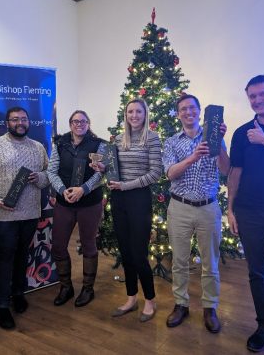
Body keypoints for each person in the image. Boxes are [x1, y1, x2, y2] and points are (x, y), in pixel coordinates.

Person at [0, 106, 49, 330]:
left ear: (29, 122)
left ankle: (19, 293)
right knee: (5, 258)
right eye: (15, 119)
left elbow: (49, 175)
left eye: (24, 119)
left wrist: (40, 177)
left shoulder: (38, 147)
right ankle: (2, 306)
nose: (20, 122)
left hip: (30, 213)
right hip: (4, 213)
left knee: (22, 255)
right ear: (7, 122)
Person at [163, 94, 229, 333]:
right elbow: (170, 173)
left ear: (200, 111)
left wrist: (220, 142)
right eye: (183, 109)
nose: (188, 112)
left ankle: (210, 307)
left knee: (210, 262)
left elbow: (226, 169)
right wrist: (193, 156)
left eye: (192, 108)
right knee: (179, 261)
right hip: (179, 207)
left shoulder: (214, 138)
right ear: (178, 114)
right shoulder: (171, 142)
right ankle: (181, 304)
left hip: (208, 208)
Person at [228, 75, 264, 352]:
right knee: (257, 273)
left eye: (263, 94)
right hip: (249, 212)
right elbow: (235, 172)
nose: (258, 100)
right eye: (252, 96)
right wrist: (230, 208)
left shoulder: (261, 133)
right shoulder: (241, 133)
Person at [104, 98, 162, 322]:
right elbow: (113, 169)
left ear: (145, 114)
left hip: (139, 199)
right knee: (126, 252)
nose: (134, 115)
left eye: (139, 111)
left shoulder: (153, 138)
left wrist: (126, 185)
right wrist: (102, 168)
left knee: (138, 254)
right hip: (118, 199)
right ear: (125, 115)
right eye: (130, 112)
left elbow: (155, 173)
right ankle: (131, 298)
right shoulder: (118, 140)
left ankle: (150, 300)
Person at [47, 110, 105, 308]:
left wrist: (83, 189)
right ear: (70, 124)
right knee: (58, 246)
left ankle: (88, 288)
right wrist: (63, 191)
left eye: (83, 121)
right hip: (65, 202)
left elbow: (99, 174)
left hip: (89, 203)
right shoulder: (60, 144)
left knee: (89, 244)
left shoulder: (98, 145)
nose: (79, 124)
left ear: (88, 123)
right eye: (75, 121)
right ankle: (66, 287)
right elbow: (51, 171)